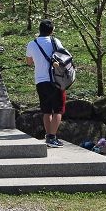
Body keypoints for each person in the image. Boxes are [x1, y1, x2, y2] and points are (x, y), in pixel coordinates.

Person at [26, 19, 66, 148]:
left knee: (47, 111)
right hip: (56, 80)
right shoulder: (55, 41)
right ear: (52, 30)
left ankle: (49, 136)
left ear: (39, 30)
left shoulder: (32, 44)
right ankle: (52, 138)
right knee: (58, 110)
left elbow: (29, 62)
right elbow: (63, 57)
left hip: (40, 81)